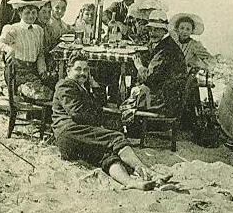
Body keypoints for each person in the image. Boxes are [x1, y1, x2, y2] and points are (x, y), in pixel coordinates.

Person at [52, 52, 156, 191]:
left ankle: (130, 182)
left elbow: (99, 103)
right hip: (70, 131)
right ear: (68, 70)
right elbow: (78, 113)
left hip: (74, 140)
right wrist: (100, 123)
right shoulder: (66, 85)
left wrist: (94, 85)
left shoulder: (81, 86)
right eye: (78, 69)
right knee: (116, 137)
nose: (82, 73)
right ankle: (146, 171)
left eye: (86, 70)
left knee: (107, 156)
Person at [130, 10, 187, 118]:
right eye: (150, 29)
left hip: (165, 100)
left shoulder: (166, 50)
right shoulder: (166, 43)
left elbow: (150, 78)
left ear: (165, 31)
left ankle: (129, 123)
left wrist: (139, 67)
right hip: (169, 93)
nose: (152, 33)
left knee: (135, 92)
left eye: (156, 30)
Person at [0, 0, 50, 99]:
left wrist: (42, 70)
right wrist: (8, 49)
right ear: (20, 14)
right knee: (35, 95)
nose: (31, 16)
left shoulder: (39, 30)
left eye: (33, 13)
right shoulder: (13, 29)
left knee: (49, 91)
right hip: (17, 71)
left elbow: (40, 53)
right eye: (27, 13)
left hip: (33, 70)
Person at [169, 13, 213, 130]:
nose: (184, 31)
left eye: (188, 29)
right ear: (177, 29)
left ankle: (184, 122)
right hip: (172, 75)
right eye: (182, 28)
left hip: (186, 77)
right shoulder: (173, 42)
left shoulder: (194, 45)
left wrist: (201, 63)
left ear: (192, 31)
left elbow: (208, 59)